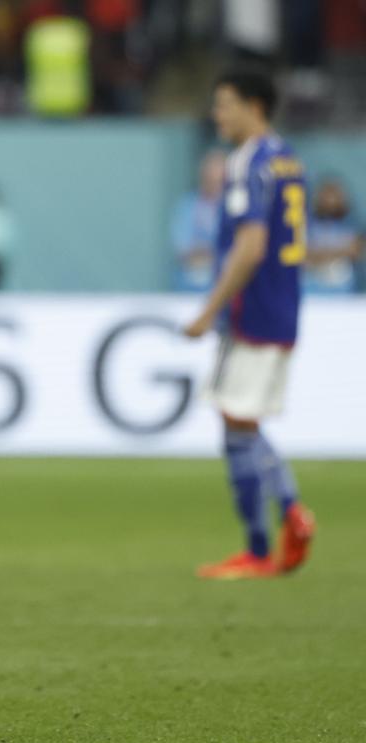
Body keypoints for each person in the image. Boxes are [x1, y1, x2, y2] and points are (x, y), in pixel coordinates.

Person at [183, 67, 315, 580]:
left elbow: (252, 245)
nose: (217, 114)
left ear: (253, 107)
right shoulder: (289, 160)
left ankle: (264, 543)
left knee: (236, 425)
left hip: (250, 312)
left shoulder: (248, 163)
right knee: (244, 422)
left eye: (224, 104)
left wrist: (210, 309)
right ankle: (290, 515)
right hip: (283, 307)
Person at [170, 150, 224, 292]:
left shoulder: (230, 210)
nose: (215, 186)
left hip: (219, 292)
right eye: (211, 179)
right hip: (186, 290)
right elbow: (182, 249)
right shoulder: (187, 206)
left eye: (220, 181)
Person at [305, 177, 363, 294]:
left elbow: (356, 250)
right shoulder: (309, 223)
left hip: (345, 290)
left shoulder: (351, 223)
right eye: (326, 194)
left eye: (334, 195)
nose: (330, 200)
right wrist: (339, 252)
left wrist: (321, 255)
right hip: (311, 288)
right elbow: (303, 253)